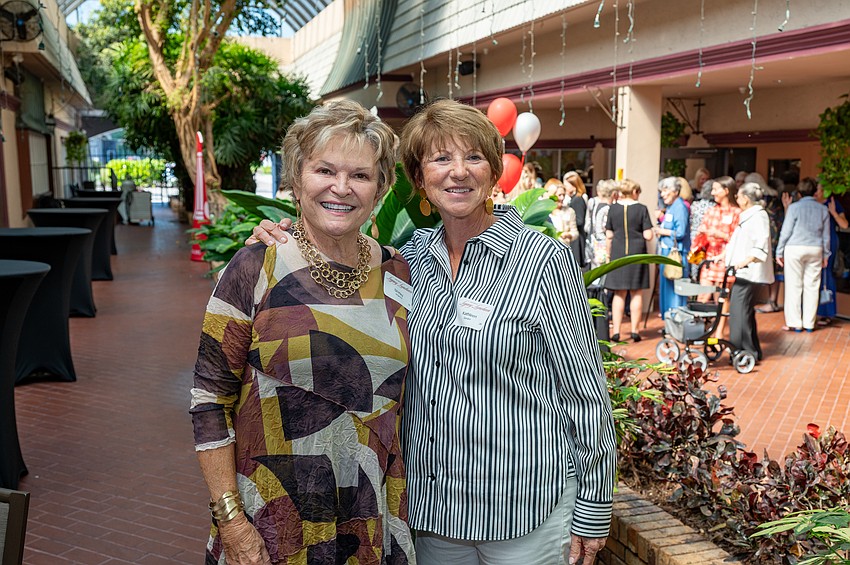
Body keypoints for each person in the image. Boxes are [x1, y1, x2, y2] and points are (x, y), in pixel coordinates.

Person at [251, 99, 617, 565]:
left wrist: (593, 508)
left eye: (474, 157)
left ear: (492, 173)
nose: (458, 172)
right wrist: (281, 235)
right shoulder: (406, 262)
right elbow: (335, 256)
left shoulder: (541, 257)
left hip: (526, 506)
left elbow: (584, 393)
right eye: (441, 159)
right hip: (433, 509)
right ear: (419, 178)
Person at [190, 100, 415, 564]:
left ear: (380, 188)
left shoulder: (400, 273)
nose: (341, 188)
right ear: (296, 179)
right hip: (270, 522)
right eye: (325, 170)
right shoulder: (257, 266)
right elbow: (209, 399)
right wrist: (230, 519)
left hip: (369, 521)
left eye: (360, 175)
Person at [724, 182, 774, 361]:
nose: (736, 198)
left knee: (739, 312)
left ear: (745, 199)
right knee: (744, 312)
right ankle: (752, 350)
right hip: (744, 271)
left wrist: (745, 261)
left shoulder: (758, 216)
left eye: (738, 196)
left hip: (749, 273)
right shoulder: (749, 216)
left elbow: (760, 242)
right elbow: (739, 242)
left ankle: (742, 351)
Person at [775, 177, 831, 332]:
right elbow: (826, 236)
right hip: (815, 248)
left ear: (799, 193)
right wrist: (826, 255)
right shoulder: (823, 209)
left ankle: (794, 323)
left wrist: (779, 251)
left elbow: (786, 232)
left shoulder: (794, 208)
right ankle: (809, 323)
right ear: (814, 192)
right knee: (812, 286)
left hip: (794, 247)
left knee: (794, 285)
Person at [604, 178, 654, 342]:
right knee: (636, 292)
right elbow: (648, 235)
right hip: (636, 252)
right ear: (634, 192)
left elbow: (609, 235)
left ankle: (616, 331)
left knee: (619, 293)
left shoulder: (613, 208)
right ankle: (635, 331)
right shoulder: (641, 209)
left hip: (618, 252)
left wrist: (607, 256)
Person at [696, 175, 741, 338]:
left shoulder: (737, 213)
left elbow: (738, 239)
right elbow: (702, 233)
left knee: (723, 298)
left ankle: (719, 332)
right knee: (703, 294)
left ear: (726, 191)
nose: (712, 192)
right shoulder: (711, 211)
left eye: (716, 189)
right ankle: (700, 330)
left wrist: (719, 234)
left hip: (726, 259)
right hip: (710, 258)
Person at [654, 177, 690, 319]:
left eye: (665, 191)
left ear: (675, 191)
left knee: (675, 290)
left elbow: (680, 233)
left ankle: (676, 321)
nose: (662, 194)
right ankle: (668, 321)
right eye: (661, 191)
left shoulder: (680, 207)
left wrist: (662, 232)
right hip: (665, 253)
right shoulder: (670, 207)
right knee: (666, 289)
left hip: (675, 255)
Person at [815, 180, 848, 325]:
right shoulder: (811, 202)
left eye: (819, 189)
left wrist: (833, 212)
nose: (817, 192)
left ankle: (826, 313)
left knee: (826, 276)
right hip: (813, 241)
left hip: (829, 243)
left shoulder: (831, 202)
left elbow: (844, 224)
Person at [563, 171, 589, 268]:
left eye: (566, 186)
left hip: (577, 239)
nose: (565, 188)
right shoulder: (575, 198)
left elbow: (579, 219)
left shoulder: (577, 199)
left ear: (574, 186)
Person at [548, 179, 580, 246]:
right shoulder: (545, 212)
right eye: (559, 195)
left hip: (563, 247)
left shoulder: (569, 211)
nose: (562, 198)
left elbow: (575, 232)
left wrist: (569, 235)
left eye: (563, 195)